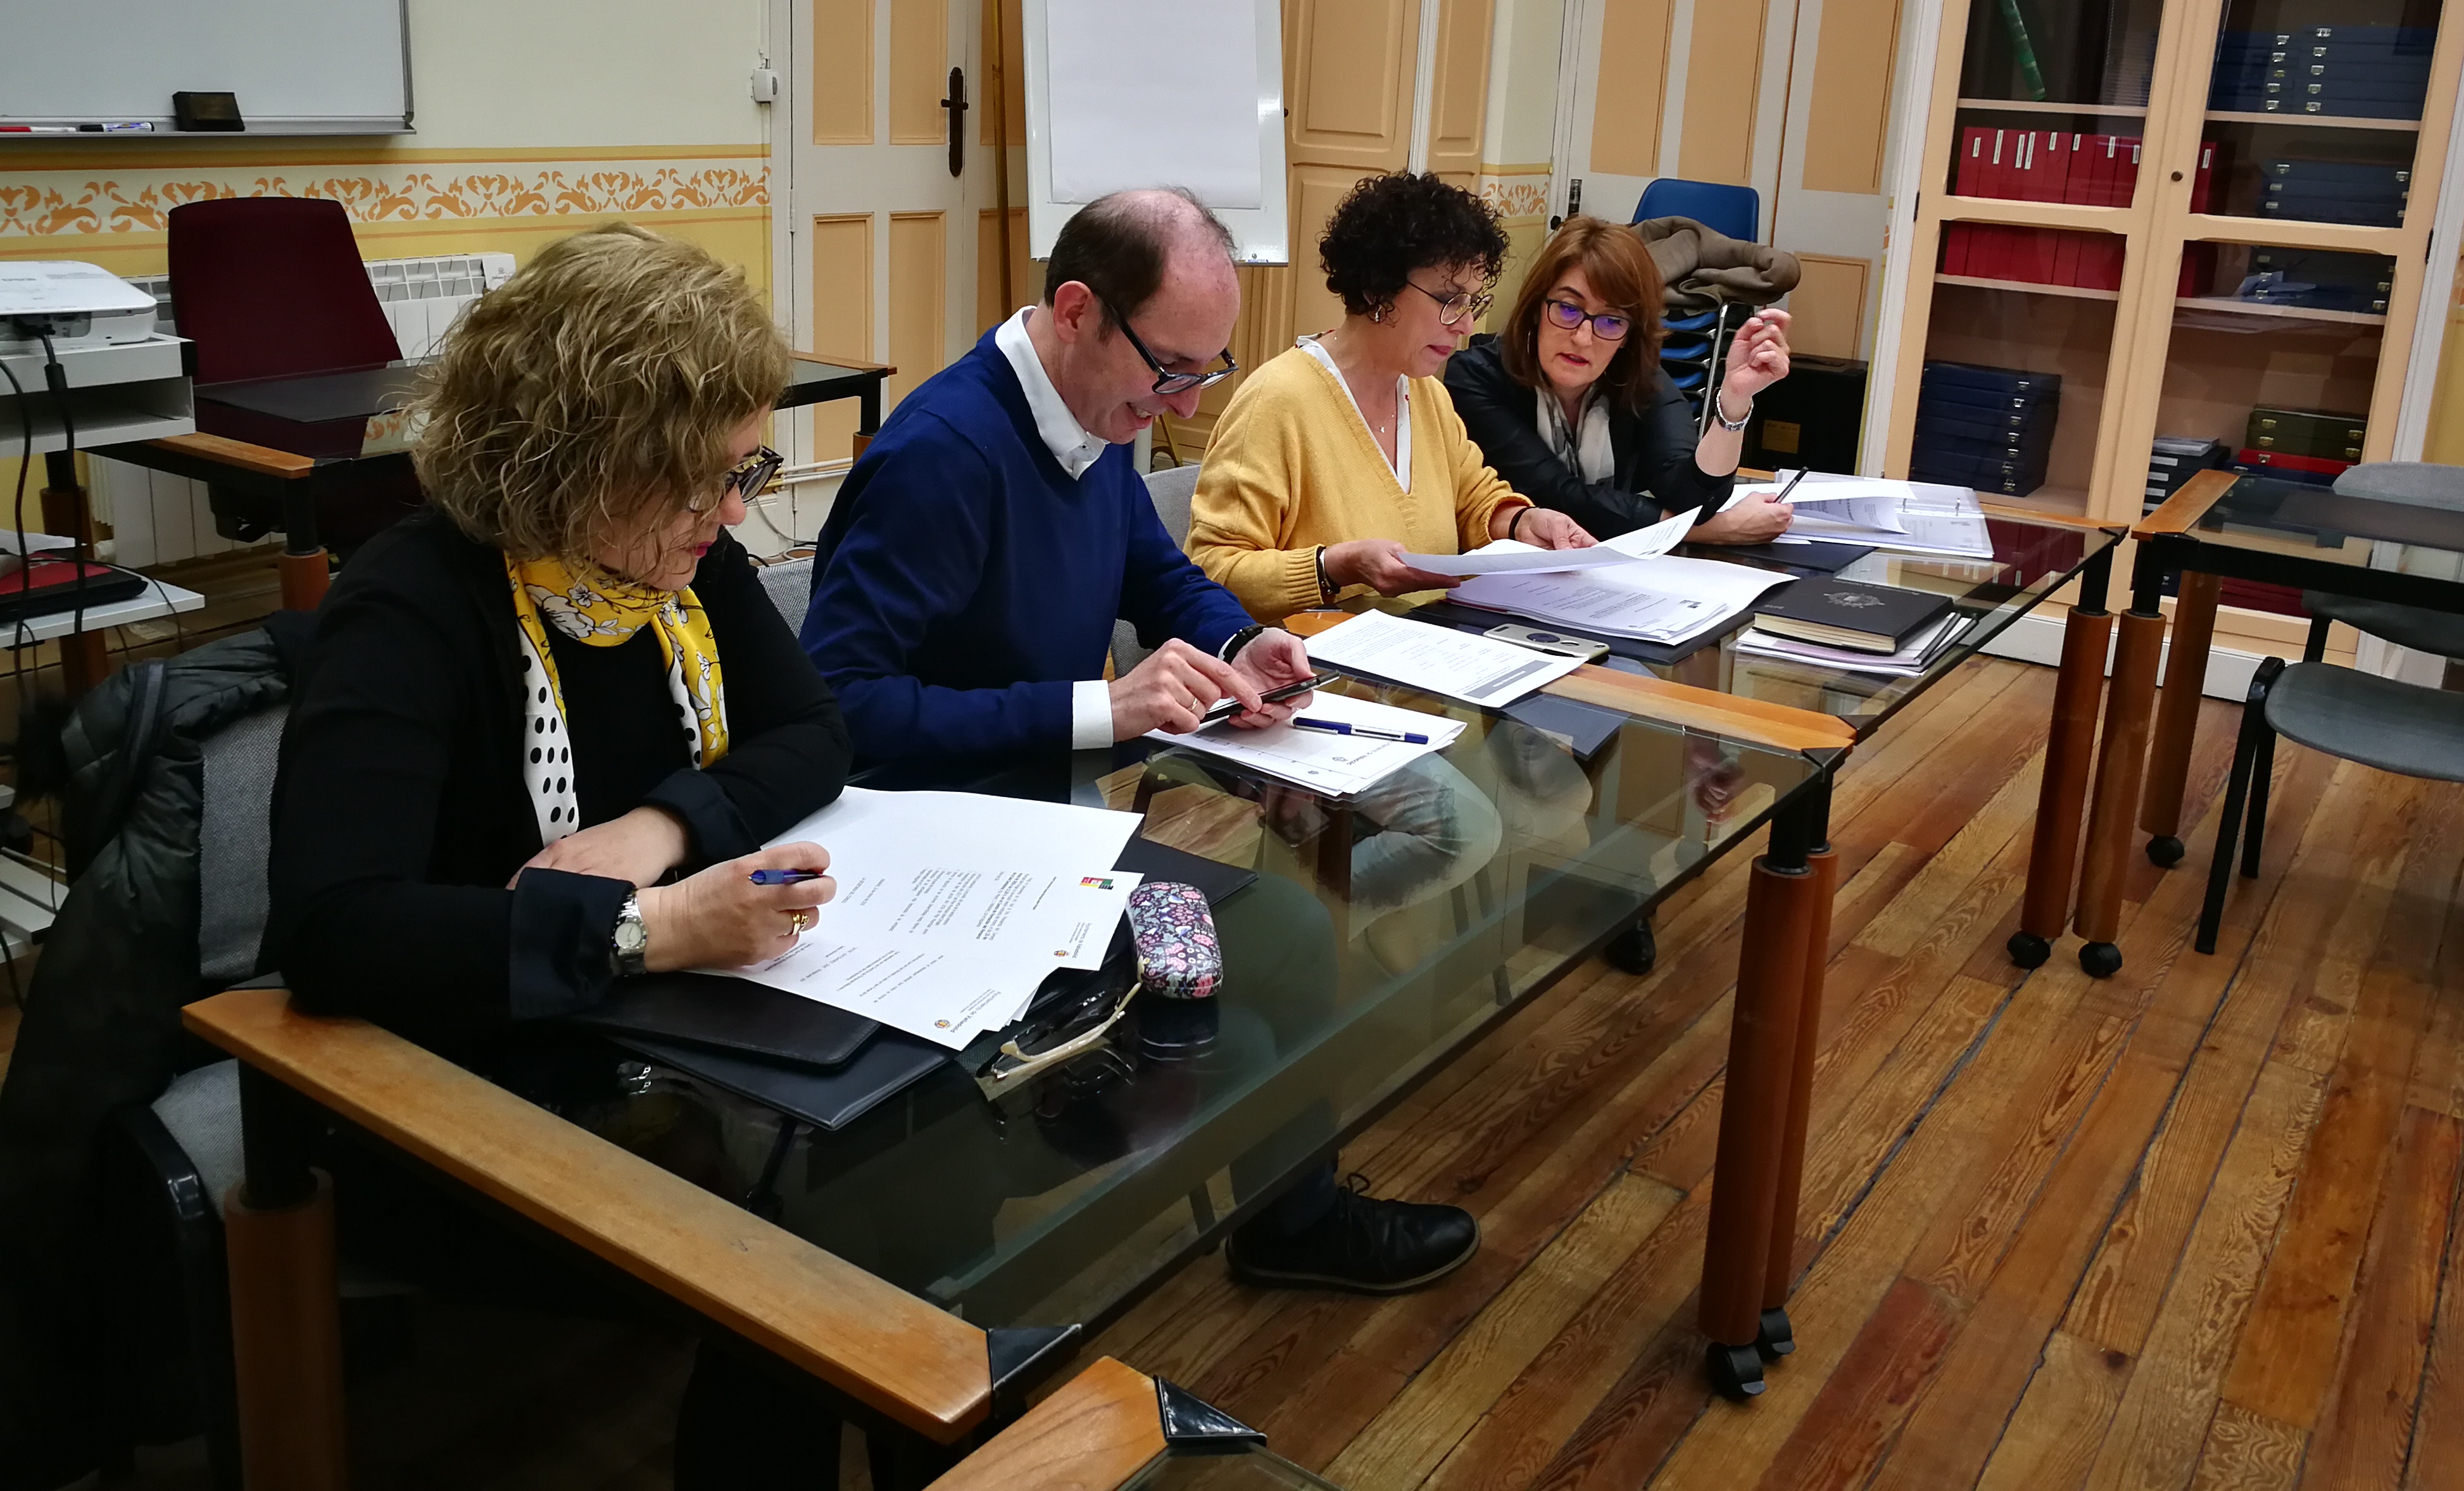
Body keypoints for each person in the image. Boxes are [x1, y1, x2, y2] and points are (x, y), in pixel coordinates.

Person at [805, 186, 1480, 1295]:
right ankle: (984, 1297)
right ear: (1077, 310)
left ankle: (1289, 1217)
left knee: (1291, 938)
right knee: (1238, 1023)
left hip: (1050, 829)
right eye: (1172, 369)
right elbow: (842, 705)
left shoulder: (1095, 409)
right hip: (941, 857)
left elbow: (1152, 571)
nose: (1185, 403)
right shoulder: (945, 452)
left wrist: (1241, 638)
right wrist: (1098, 710)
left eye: (1206, 371)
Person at [263, 222, 852, 1488]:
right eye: (705, 480)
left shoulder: (668, 568)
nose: (733, 513)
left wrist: (662, 827)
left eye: (744, 470)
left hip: (645, 1033)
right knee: (810, 1235)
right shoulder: (412, 604)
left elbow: (813, 732)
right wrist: (655, 926)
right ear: (581, 464)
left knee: (886, 1159)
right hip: (455, 1072)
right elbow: (334, 928)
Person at [1185, 170, 1595, 622]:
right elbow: (1213, 571)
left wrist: (1521, 523)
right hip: (1307, 660)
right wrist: (1332, 567)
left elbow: (1474, 501)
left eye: (1471, 303)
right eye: (1449, 300)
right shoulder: (1277, 402)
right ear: (1377, 289)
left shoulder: (1427, 395)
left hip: (1417, 650)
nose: (1465, 325)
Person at [1445, 215, 1797, 544]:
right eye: (1568, 309)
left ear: (1630, 334)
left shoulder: (1637, 377)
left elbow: (1692, 498)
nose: (1583, 338)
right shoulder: (1476, 377)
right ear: (1537, 307)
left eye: (1612, 321)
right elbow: (1557, 496)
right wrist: (1714, 530)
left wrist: (1735, 401)